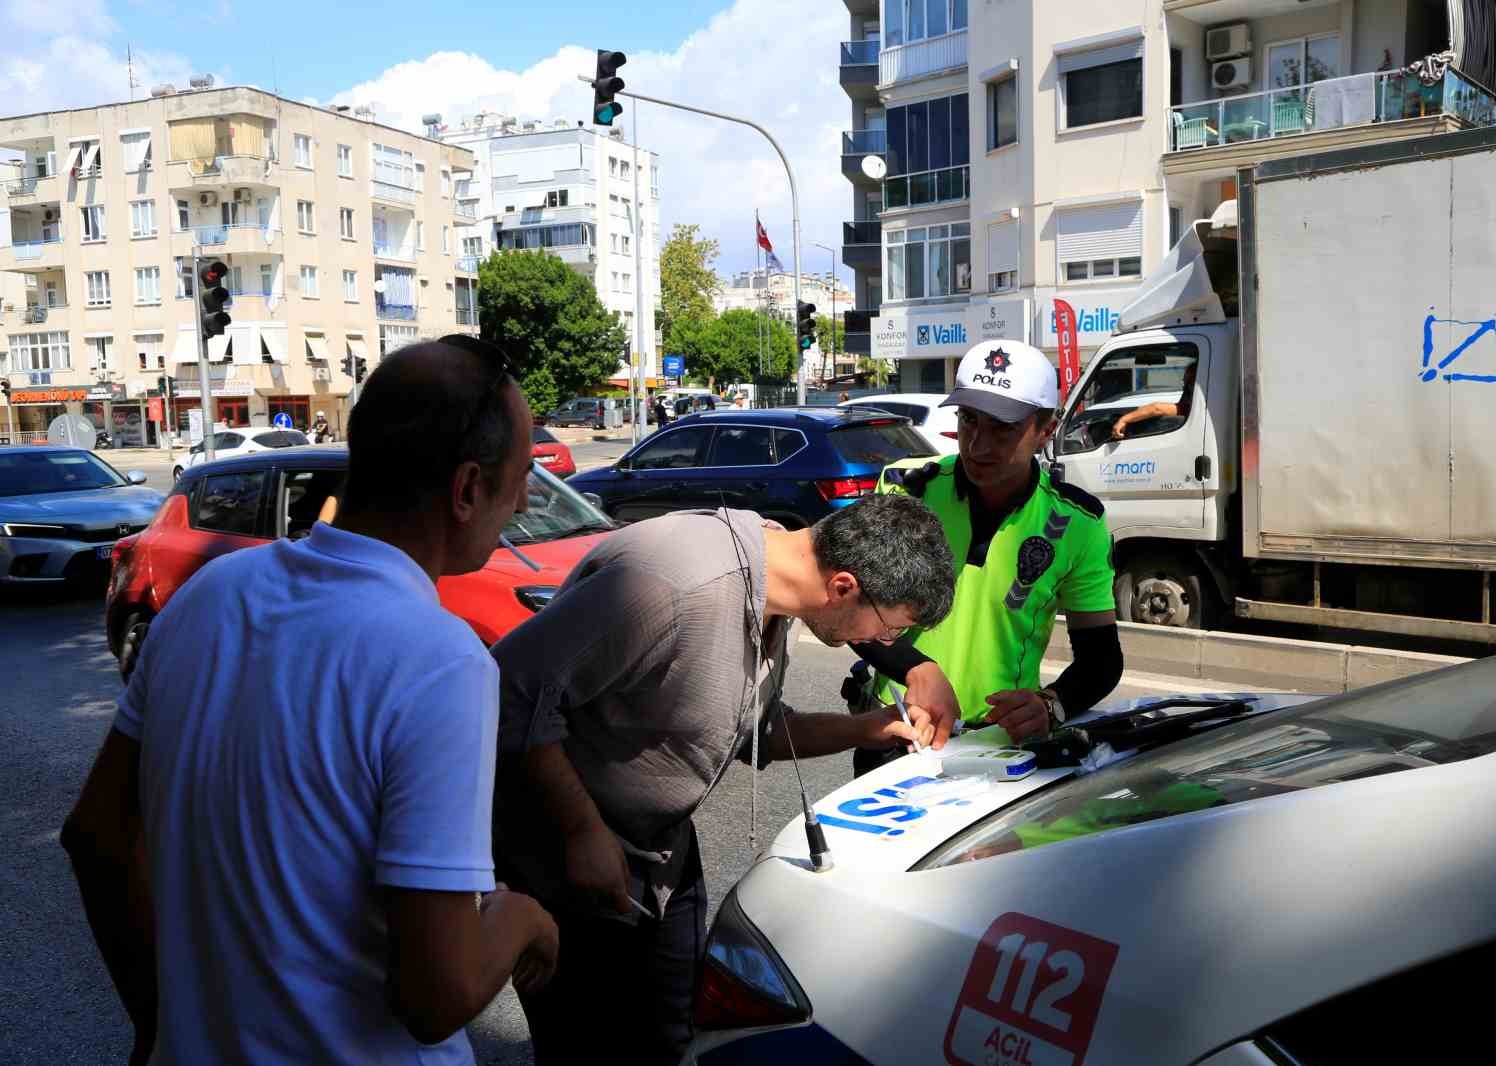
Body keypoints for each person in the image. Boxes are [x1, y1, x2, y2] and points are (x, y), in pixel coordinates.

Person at [61, 336, 559, 1065]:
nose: (520, 503)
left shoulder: (209, 596)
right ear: (466, 488)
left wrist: (157, 1022)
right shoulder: (440, 660)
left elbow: (96, 835)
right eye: (519, 481)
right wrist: (523, 921)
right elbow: (435, 996)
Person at [491, 492, 956, 1064]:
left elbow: (751, 729)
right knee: (591, 1047)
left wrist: (867, 728)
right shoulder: (674, 582)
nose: (884, 645)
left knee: (677, 1039)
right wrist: (580, 833)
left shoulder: (776, 592)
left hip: (659, 858)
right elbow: (510, 689)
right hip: (569, 862)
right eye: (889, 630)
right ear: (843, 587)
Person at [849, 338, 1125, 775]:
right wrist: (916, 669)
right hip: (898, 733)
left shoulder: (1077, 522)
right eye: (969, 420)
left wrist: (1051, 706)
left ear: (1045, 430)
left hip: (1001, 750)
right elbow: (851, 611)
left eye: (1003, 428)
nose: (978, 444)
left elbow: (1101, 659)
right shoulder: (905, 490)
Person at [1111, 362, 1197, 440]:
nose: (1183, 382)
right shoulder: (1192, 407)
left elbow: (1157, 409)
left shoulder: (1191, 408)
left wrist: (1123, 420)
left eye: (1187, 380)